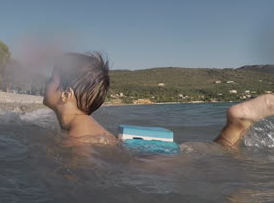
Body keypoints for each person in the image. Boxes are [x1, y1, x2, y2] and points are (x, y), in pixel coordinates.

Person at [43, 52, 274, 150]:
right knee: (216, 151)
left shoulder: (76, 135)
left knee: (221, 153)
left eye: (51, 79)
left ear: (66, 94)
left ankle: (237, 122)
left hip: (150, 160)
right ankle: (237, 123)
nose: (46, 83)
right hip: (141, 153)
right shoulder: (80, 126)